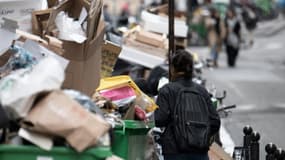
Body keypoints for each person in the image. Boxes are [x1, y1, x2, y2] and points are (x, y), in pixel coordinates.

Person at [154, 50, 221, 160]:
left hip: (174, 152)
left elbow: (160, 119)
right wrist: (201, 136)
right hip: (200, 152)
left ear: (173, 69)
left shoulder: (167, 90)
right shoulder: (201, 91)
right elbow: (215, 121)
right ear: (192, 69)